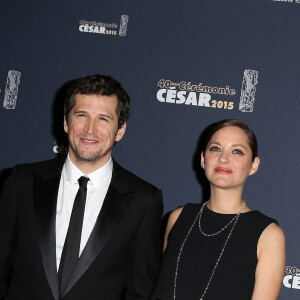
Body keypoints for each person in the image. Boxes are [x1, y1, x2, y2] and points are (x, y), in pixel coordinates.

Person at [0, 75, 163, 300]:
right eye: (81, 115)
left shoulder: (143, 200)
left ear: (120, 130)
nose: (90, 129)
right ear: (66, 122)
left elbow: (140, 290)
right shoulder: (22, 181)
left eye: (103, 119)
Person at [151, 119, 286, 300]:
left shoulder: (268, 235)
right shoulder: (178, 218)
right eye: (215, 148)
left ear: (254, 165)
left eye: (237, 151)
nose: (223, 158)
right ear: (202, 159)